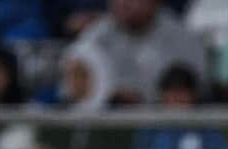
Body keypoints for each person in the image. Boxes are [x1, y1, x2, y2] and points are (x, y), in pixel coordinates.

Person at [64, 0, 208, 106]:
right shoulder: (94, 37)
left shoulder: (183, 39)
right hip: (103, 125)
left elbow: (197, 94)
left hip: (162, 126)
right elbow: (72, 94)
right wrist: (108, 96)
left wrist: (145, 100)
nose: (123, 3)